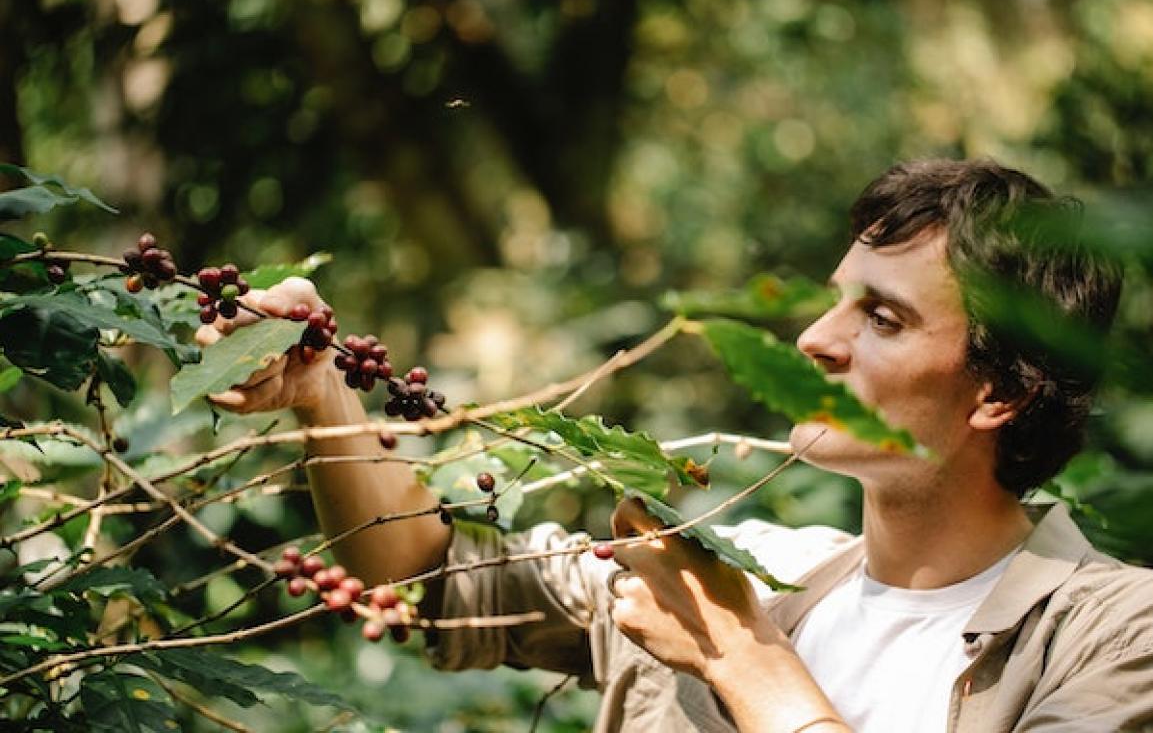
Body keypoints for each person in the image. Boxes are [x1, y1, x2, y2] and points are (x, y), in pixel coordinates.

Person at [199, 159, 1153, 732]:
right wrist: (320, 391)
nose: (815, 338)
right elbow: (431, 584)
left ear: (999, 392)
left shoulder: (1117, 635)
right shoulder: (758, 572)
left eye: (884, 318)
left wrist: (744, 661)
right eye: (836, 296)